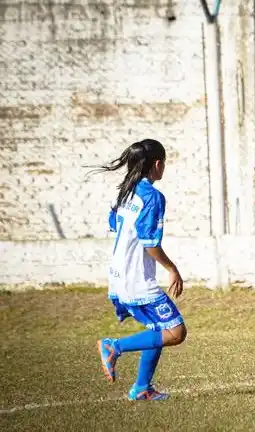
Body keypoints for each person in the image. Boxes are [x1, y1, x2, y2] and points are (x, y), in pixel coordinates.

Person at [90, 139, 187, 401]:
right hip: (137, 281)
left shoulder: (125, 192)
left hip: (118, 276)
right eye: (164, 163)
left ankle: (142, 387)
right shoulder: (152, 197)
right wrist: (172, 268)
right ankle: (114, 347)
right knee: (175, 332)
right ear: (158, 164)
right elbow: (149, 242)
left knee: (158, 327)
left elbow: (114, 223)